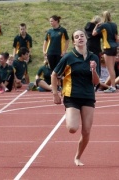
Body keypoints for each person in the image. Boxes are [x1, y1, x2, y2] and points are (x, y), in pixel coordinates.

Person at [51, 30, 100, 166]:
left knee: (86, 131)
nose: (80, 38)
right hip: (72, 96)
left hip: (88, 96)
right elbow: (54, 74)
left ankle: (77, 157)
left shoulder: (94, 57)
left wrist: (94, 70)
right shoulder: (68, 57)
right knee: (72, 128)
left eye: (82, 36)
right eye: (76, 37)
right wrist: (55, 93)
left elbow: (96, 82)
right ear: (73, 42)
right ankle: (69, 111)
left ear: (86, 39)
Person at [92, 11, 118, 93]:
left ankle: (113, 87)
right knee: (112, 68)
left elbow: (93, 34)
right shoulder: (114, 25)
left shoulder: (103, 25)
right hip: (115, 47)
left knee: (110, 69)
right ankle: (112, 86)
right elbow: (116, 37)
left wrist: (96, 26)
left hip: (107, 47)